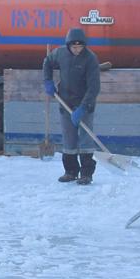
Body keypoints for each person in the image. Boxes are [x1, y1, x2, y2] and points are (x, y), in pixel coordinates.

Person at [42, 27, 100, 184]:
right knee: (69, 139)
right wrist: (48, 80)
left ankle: (86, 173)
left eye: (80, 47)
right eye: (74, 47)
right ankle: (70, 171)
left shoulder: (90, 59)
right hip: (65, 101)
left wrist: (83, 107)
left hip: (84, 105)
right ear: (68, 45)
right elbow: (47, 62)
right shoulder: (60, 53)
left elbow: (94, 87)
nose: (77, 50)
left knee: (86, 140)